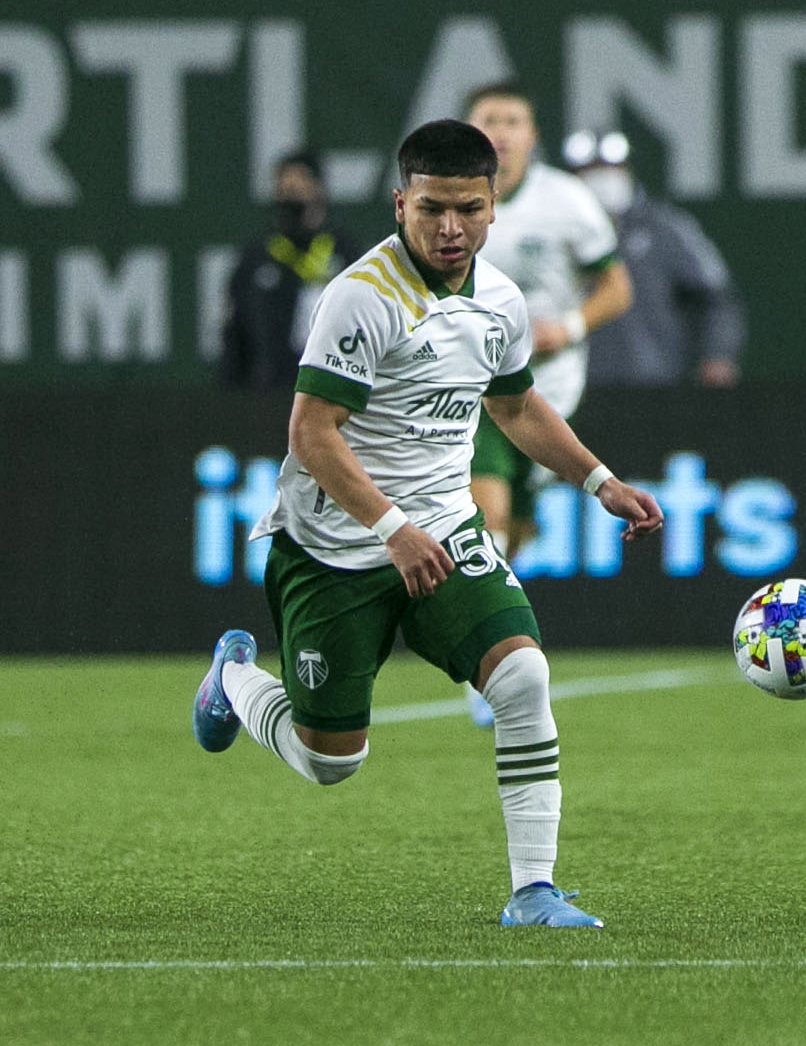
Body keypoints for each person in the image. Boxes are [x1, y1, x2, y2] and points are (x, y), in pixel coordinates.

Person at [190, 119, 663, 928]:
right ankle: (234, 679)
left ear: (494, 204)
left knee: (522, 676)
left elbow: (513, 405)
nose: (451, 228)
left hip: (446, 529)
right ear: (399, 203)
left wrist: (597, 479)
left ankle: (533, 892)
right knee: (329, 762)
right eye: (433, 209)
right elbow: (311, 434)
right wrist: (388, 529)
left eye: (470, 209)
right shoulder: (360, 298)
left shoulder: (501, 301)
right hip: (333, 548)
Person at [459, 82, 633, 728]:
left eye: (513, 119)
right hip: (474, 386)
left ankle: (481, 628)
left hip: (551, 390)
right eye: (488, 120)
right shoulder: (454, 203)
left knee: (517, 529)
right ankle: (489, 665)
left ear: (533, 135)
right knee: (488, 511)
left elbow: (616, 286)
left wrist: (572, 326)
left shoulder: (568, 202)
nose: (501, 130)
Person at [561, 129, 746, 389]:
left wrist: (718, 355)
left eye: (611, 168)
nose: (601, 178)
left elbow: (715, 298)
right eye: (589, 170)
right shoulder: (552, 230)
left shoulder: (665, 228)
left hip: (654, 389)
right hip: (569, 386)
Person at [219, 149, 360, 391]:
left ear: (318, 190)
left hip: (330, 390)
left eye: (298, 191)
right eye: (284, 192)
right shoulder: (258, 256)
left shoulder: (345, 253)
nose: (290, 202)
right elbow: (235, 334)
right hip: (270, 391)